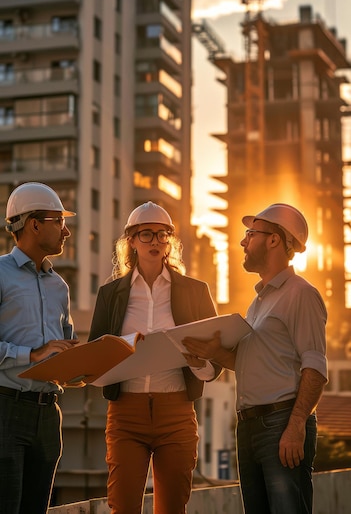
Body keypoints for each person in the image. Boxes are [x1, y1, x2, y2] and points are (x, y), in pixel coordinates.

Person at [182, 203, 328, 514]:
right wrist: (213, 353)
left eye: (250, 234)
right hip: (249, 427)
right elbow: (251, 362)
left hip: (280, 424)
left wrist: (296, 424)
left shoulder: (300, 294)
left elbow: (315, 366)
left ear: (274, 240)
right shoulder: (260, 301)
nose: (243, 242)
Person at [88, 201, 222, 514]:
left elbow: (216, 363)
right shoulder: (111, 294)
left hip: (176, 412)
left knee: (173, 508)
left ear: (170, 242)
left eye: (162, 235)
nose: (155, 242)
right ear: (131, 241)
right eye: (146, 235)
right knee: (123, 506)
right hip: (126, 414)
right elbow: (94, 354)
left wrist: (198, 359)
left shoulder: (195, 291)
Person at [0, 182, 79, 514]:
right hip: (6, 411)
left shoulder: (59, 286)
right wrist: (31, 355)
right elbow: (42, 351)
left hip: (49, 416)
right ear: (34, 223)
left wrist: (79, 368)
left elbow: (63, 345)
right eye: (59, 221)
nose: (67, 231)